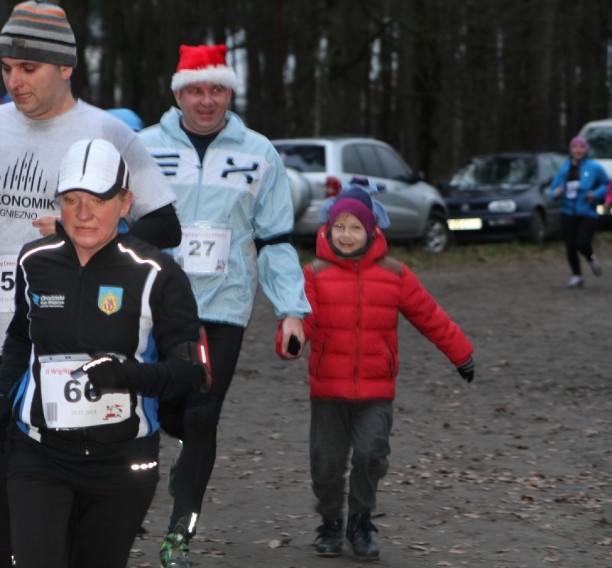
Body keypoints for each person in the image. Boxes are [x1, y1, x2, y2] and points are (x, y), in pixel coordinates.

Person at [0, 3, 182, 566]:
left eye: (29, 68)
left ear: (65, 68)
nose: (15, 80)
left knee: (61, 483)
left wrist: (92, 229)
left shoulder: (108, 132)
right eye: (8, 66)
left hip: (78, 344)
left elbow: (165, 222)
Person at [0, 138, 209, 568]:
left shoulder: (158, 273)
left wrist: (127, 377)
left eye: (98, 199)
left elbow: (192, 373)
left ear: (125, 203)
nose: (83, 213)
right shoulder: (34, 261)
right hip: (38, 452)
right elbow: (20, 339)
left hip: (122, 460)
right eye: (71, 199)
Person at [138, 43, 311, 567]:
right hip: (154, 305)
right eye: (195, 90)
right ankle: (178, 454)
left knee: (203, 415)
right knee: (162, 412)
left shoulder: (259, 152)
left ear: (230, 92)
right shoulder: (143, 147)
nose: (206, 101)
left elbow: (276, 238)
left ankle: (178, 535)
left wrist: (292, 310)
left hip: (224, 306)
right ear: (177, 94)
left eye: (216, 90)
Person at [302, 183, 475, 560]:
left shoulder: (394, 274)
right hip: (328, 390)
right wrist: (291, 338)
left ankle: (360, 521)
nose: (346, 235)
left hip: (376, 390)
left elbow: (430, 316)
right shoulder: (313, 273)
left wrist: (461, 353)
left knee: (371, 455)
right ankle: (330, 521)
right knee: (326, 463)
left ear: (372, 230)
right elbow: (301, 322)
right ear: (328, 228)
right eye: (340, 227)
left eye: (356, 227)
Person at [549, 135, 608, 289]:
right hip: (567, 212)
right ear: (571, 149)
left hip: (587, 213)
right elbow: (552, 190)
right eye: (575, 146)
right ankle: (577, 276)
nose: (578, 150)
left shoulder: (594, 167)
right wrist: (557, 193)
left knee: (582, 243)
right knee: (570, 246)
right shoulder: (564, 168)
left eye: (581, 147)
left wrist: (595, 195)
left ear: (586, 149)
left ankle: (591, 258)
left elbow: (606, 184)